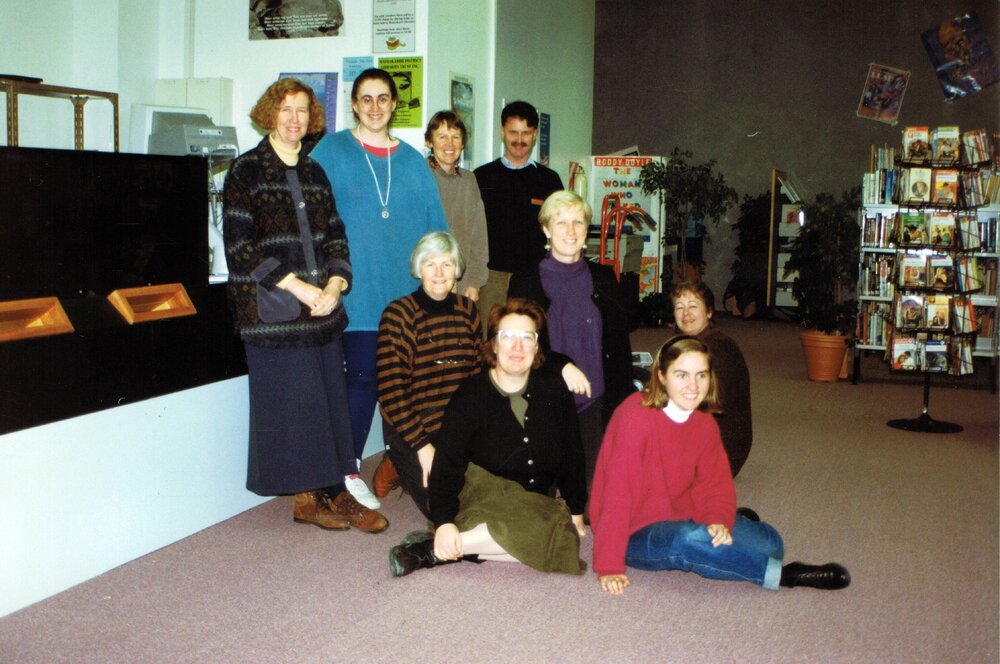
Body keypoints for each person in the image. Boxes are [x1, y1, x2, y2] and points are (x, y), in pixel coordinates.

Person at [222, 78, 387, 534]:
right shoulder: (245, 171)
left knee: (324, 405)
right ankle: (312, 496)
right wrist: (301, 288)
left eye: (302, 110)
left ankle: (322, 495)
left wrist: (335, 284)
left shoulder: (314, 172)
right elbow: (241, 248)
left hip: (321, 312)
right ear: (270, 113)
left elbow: (336, 233)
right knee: (294, 408)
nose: (295, 119)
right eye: (286, 110)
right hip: (274, 315)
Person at [590, 336, 850, 594]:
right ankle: (783, 575)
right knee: (686, 539)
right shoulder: (634, 417)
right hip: (633, 531)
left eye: (701, 375)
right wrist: (609, 564)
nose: (693, 386)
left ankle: (726, 524)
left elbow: (714, 482)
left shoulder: (703, 423)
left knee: (772, 545)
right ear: (661, 376)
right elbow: (617, 495)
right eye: (681, 375)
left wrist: (718, 519)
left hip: (682, 511)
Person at [310, 68, 448, 508]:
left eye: (382, 98)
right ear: (353, 104)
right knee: (364, 379)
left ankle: (403, 465)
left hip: (407, 297)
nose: (374, 107)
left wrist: (441, 283)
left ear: (394, 104)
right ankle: (346, 469)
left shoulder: (411, 161)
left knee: (414, 384)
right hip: (356, 292)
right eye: (365, 99)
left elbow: (436, 232)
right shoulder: (330, 150)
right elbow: (309, 216)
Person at [388, 299, 588, 577]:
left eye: (526, 337)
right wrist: (444, 520)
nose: (517, 347)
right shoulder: (470, 396)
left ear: (537, 346)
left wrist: (576, 509)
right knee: (552, 535)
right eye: (507, 337)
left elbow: (572, 452)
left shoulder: (554, 390)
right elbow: (447, 463)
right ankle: (444, 542)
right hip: (483, 491)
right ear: (493, 344)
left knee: (562, 534)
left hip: (531, 500)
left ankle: (435, 550)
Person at [508, 190, 633, 493]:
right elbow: (517, 346)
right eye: (561, 222)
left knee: (592, 502)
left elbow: (619, 348)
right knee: (540, 499)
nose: (571, 231)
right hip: (544, 401)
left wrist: (624, 404)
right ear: (547, 230)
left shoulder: (603, 277)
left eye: (578, 222)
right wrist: (559, 366)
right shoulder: (526, 279)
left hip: (594, 401)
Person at [374, 232, 482, 517]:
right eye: (430, 264)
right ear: (419, 268)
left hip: (454, 424)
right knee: (448, 513)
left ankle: (400, 462)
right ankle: (397, 459)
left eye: (447, 264)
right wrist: (423, 448)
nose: (439, 273)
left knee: (488, 492)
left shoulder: (468, 311)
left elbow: (476, 380)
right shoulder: (398, 315)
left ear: (456, 270)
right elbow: (391, 393)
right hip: (411, 423)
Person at [474, 101, 563, 329]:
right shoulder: (481, 177)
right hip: (491, 278)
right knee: (491, 337)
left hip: (534, 277)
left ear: (534, 135)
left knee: (532, 338)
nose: (519, 139)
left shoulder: (549, 180)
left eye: (526, 133)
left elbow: (558, 230)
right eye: (513, 132)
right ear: (502, 132)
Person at [671, 280, 752, 476]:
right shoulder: (686, 345)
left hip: (722, 451)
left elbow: (707, 406)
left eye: (693, 306)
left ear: (708, 312)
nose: (686, 314)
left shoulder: (719, 348)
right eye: (679, 307)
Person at [424, 110, 489, 302]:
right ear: (429, 141)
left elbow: (479, 237)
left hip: (463, 285)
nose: (449, 144)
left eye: (455, 137)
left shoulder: (469, 180)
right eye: (442, 137)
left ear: (462, 144)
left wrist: (475, 282)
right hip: (427, 283)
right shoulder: (420, 176)